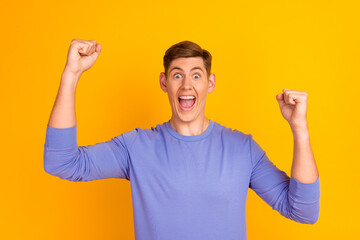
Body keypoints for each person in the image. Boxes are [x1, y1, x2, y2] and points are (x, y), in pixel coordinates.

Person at [43, 39, 320, 240]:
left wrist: (300, 128)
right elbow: (61, 162)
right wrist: (72, 75)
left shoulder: (242, 149)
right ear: (165, 83)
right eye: (178, 75)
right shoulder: (136, 147)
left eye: (196, 76)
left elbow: (303, 211)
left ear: (209, 84)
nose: (187, 85)